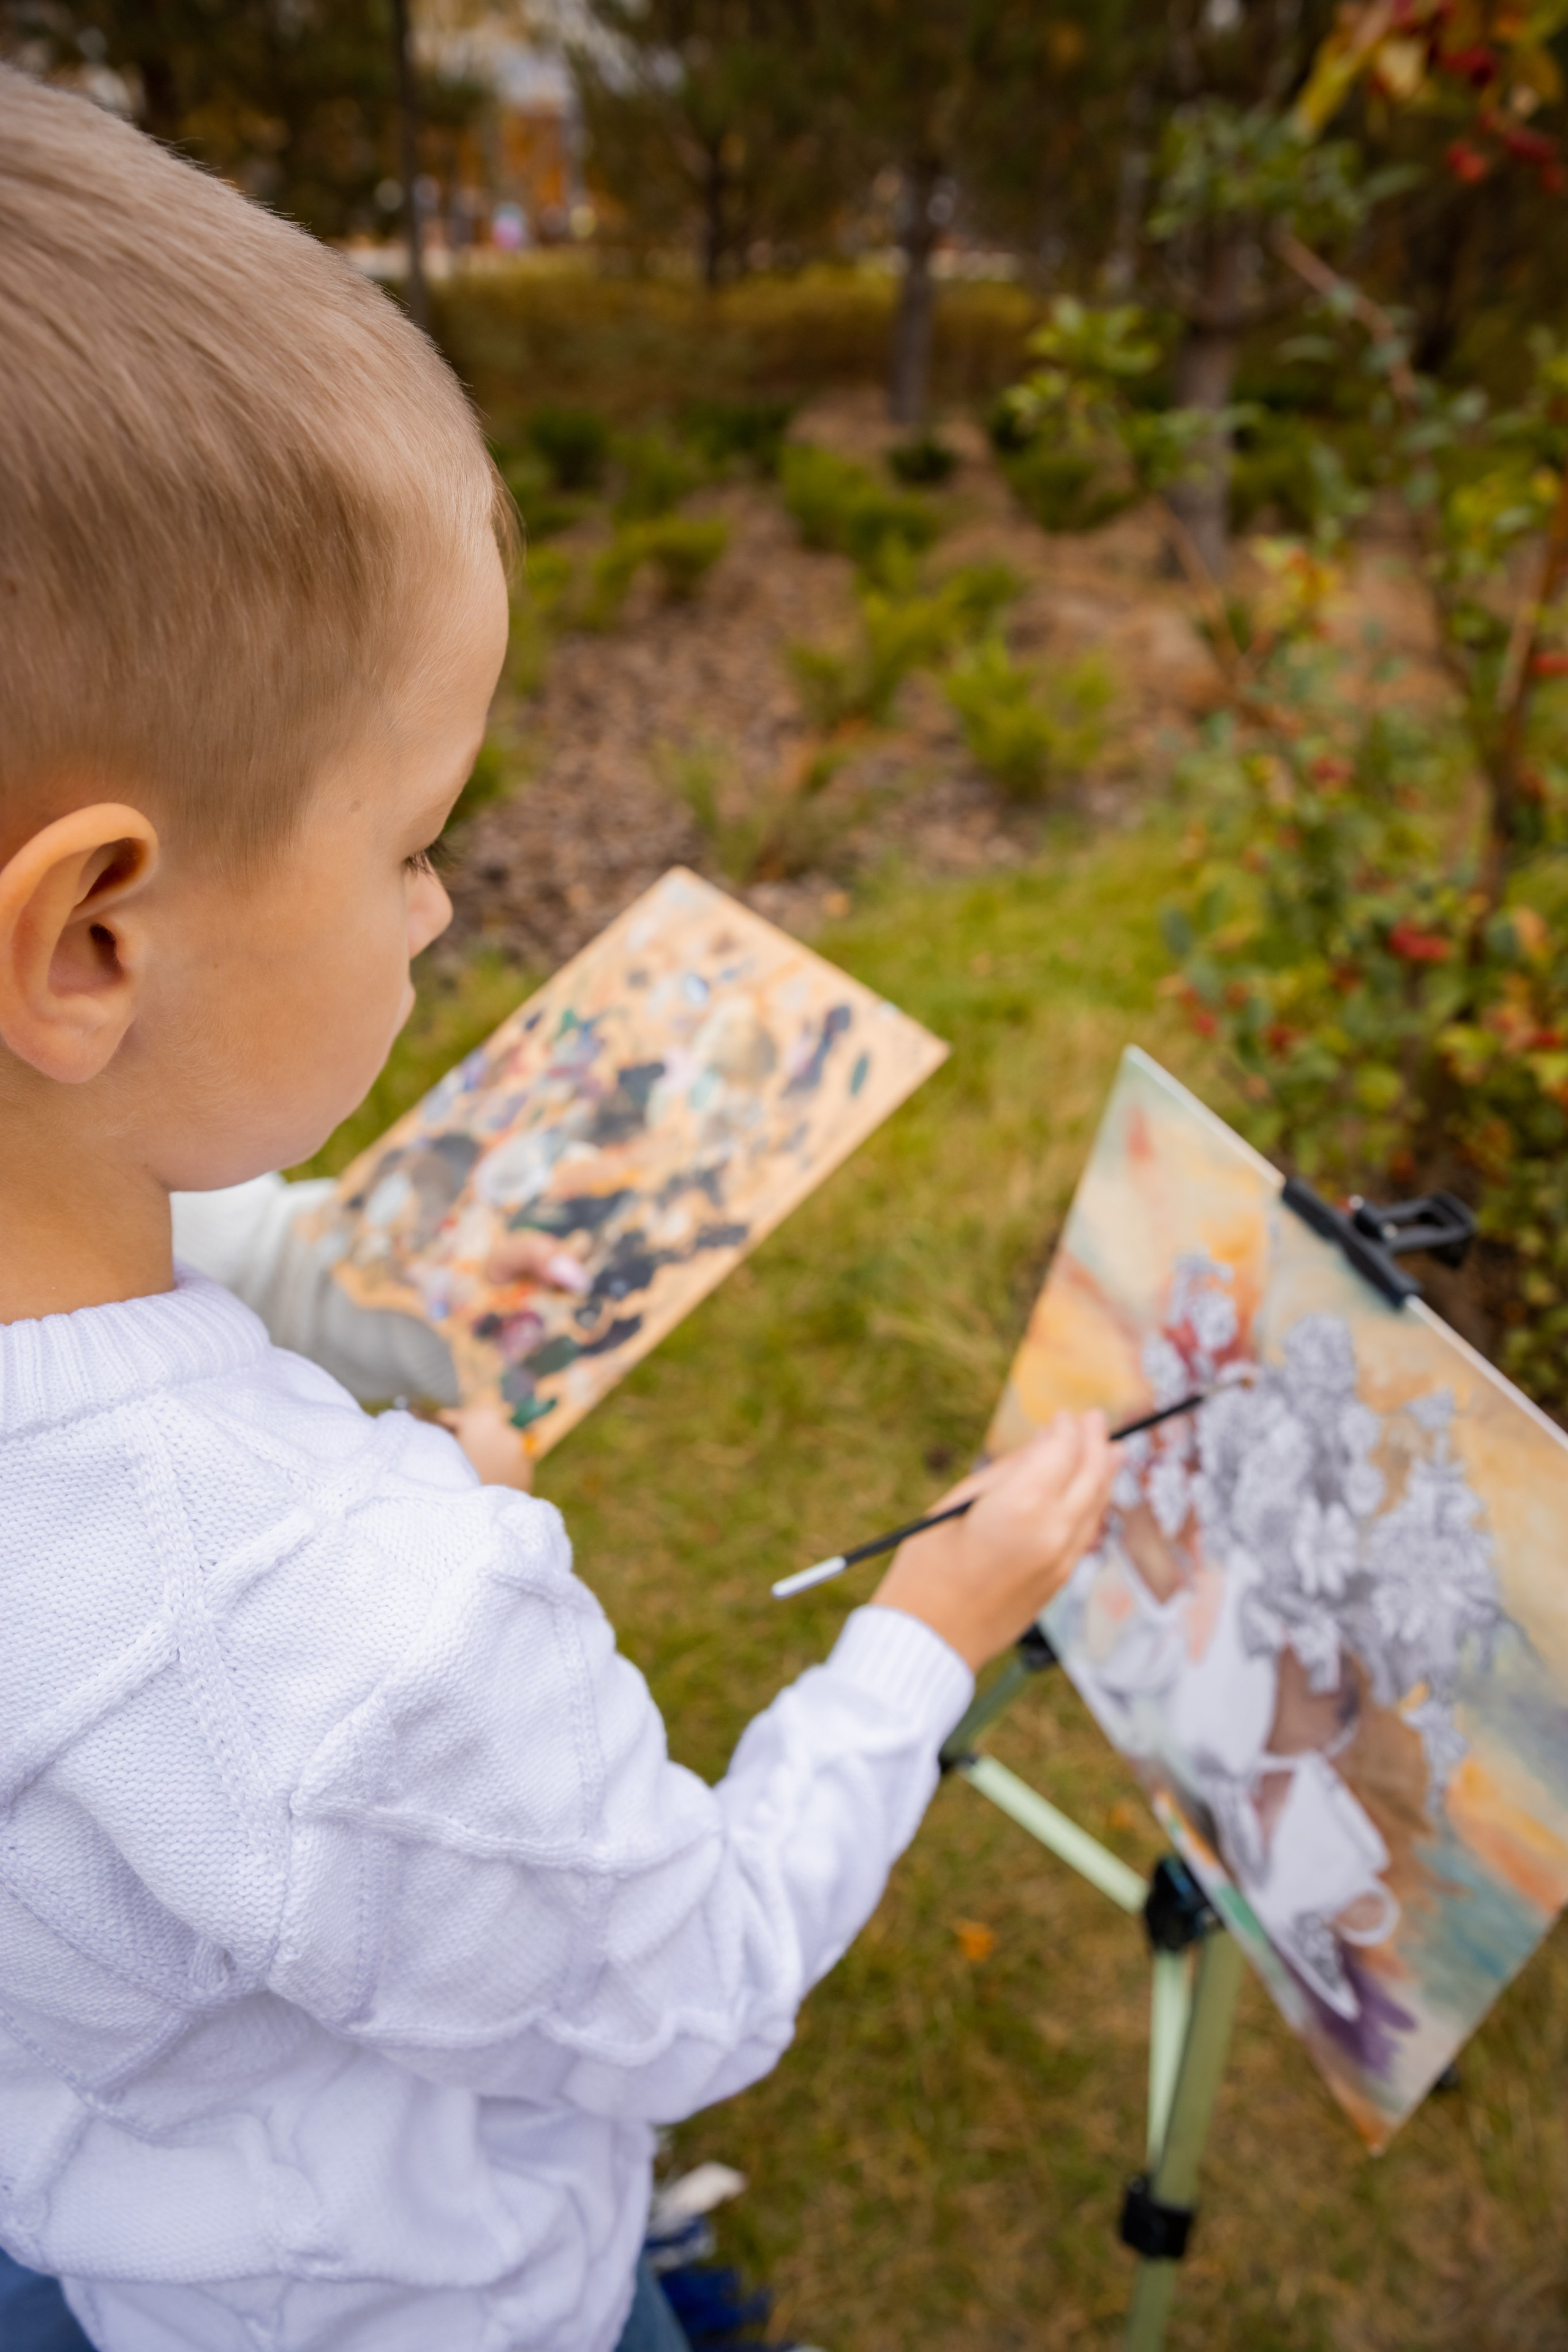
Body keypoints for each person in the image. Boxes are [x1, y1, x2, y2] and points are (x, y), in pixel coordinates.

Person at [0, 67, 1117, 2352]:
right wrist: (925, 1625)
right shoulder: (366, 1634)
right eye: (418, 834)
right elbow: (696, 1979)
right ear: (91, 939)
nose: (439, 913)